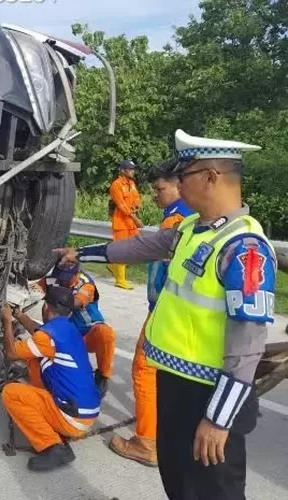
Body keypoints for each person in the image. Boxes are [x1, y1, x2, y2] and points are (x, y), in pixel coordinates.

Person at [55, 130, 276, 500]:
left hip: (209, 396)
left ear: (210, 176)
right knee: (179, 485)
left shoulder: (244, 250)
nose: (177, 184)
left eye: (183, 175)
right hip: (175, 384)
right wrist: (83, 253)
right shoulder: (193, 229)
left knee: (213, 492)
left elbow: (247, 347)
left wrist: (218, 420)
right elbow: (144, 245)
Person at [108, 160, 195, 467]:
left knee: (144, 369)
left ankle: (146, 442)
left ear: (180, 186)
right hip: (179, 309)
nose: (155, 195)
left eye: (160, 189)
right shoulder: (186, 214)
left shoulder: (177, 221)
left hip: (165, 308)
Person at [1, 284, 101, 472]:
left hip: (74, 419)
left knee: (11, 393)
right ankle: (50, 414)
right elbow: (41, 332)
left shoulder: (47, 337)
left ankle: (53, 447)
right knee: (34, 360)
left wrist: (7, 321)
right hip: (87, 412)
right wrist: (20, 316)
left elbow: (12, 353)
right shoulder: (69, 329)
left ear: (46, 307)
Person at [33, 262, 116, 397]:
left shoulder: (86, 284)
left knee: (105, 333)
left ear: (77, 273)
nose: (63, 281)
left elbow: (77, 302)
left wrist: (55, 297)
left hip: (85, 333)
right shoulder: (54, 278)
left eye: (67, 278)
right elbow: (35, 288)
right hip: (63, 333)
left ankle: (103, 375)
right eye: (60, 277)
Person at [108, 159, 144, 289]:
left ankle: (113, 266)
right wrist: (135, 218)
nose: (132, 171)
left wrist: (136, 207)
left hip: (131, 221)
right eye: (130, 169)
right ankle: (120, 280)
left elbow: (136, 198)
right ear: (122, 170)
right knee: (122, 249)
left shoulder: (132, 183)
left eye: (133, 169)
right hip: (121, 222)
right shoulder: (116, 185)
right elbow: (121, 205)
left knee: (133, 247)